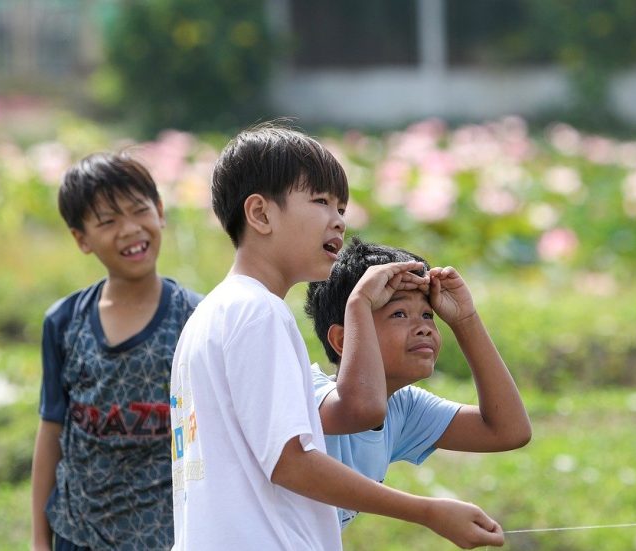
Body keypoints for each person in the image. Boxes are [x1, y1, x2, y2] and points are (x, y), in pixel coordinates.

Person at [169, 124, 505, 549]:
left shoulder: (210, 316)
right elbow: (290, 463)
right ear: (260, 214)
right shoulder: (258, 311)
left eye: (342, 208)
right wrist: (427, 511)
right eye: (321, 202)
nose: (339, 221)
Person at [31, 153, 202, 551]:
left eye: (139, 210)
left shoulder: (197, 319)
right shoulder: (64, 321)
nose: (128, 229)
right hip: (78, 533)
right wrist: (40, 540)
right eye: (107, 221)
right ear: (81, 239)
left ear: (160, 212)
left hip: (170, 535)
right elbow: (51, 429)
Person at [305, 237, 532, 528]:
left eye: (427, 315)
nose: (424, 328)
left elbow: (508, 431)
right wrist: (359, 301)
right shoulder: (307, 393)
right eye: (399, 314)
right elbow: (360, 409)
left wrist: (466, 320)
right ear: (342, 340)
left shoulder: (402, 407)